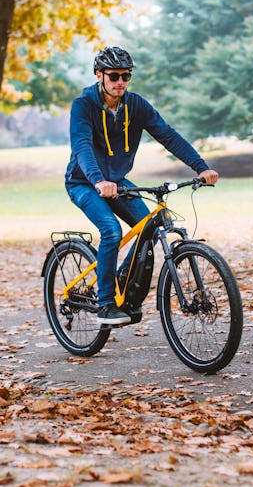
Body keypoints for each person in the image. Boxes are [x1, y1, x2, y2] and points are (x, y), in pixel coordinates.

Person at [65, 46, 219, 325]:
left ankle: (123, 280)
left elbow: (168, 136)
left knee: (151, 225)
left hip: (118, 181)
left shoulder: (136, 105)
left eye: (126, 76)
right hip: (84, 182)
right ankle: (105, 304)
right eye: (113, 76)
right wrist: (99, 180)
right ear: (99, 75)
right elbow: (82, 147)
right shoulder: (83, 105)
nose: (120, 82)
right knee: (111, 230)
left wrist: (201, 166)